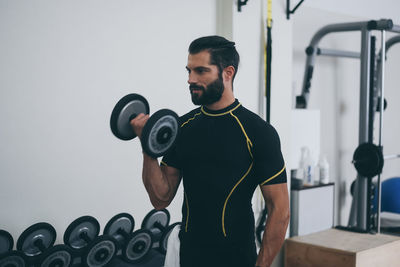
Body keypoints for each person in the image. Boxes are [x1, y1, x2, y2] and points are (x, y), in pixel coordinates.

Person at [131, 36, 289, 267]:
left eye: (201, 71)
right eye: (189, 71)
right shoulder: (182, 127)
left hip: (237, 258)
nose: (190, 79)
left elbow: (280, 211)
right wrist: (148, 146)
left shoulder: (257, 132)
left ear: (228, 73)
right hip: (190, 256)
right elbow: (160, 198)